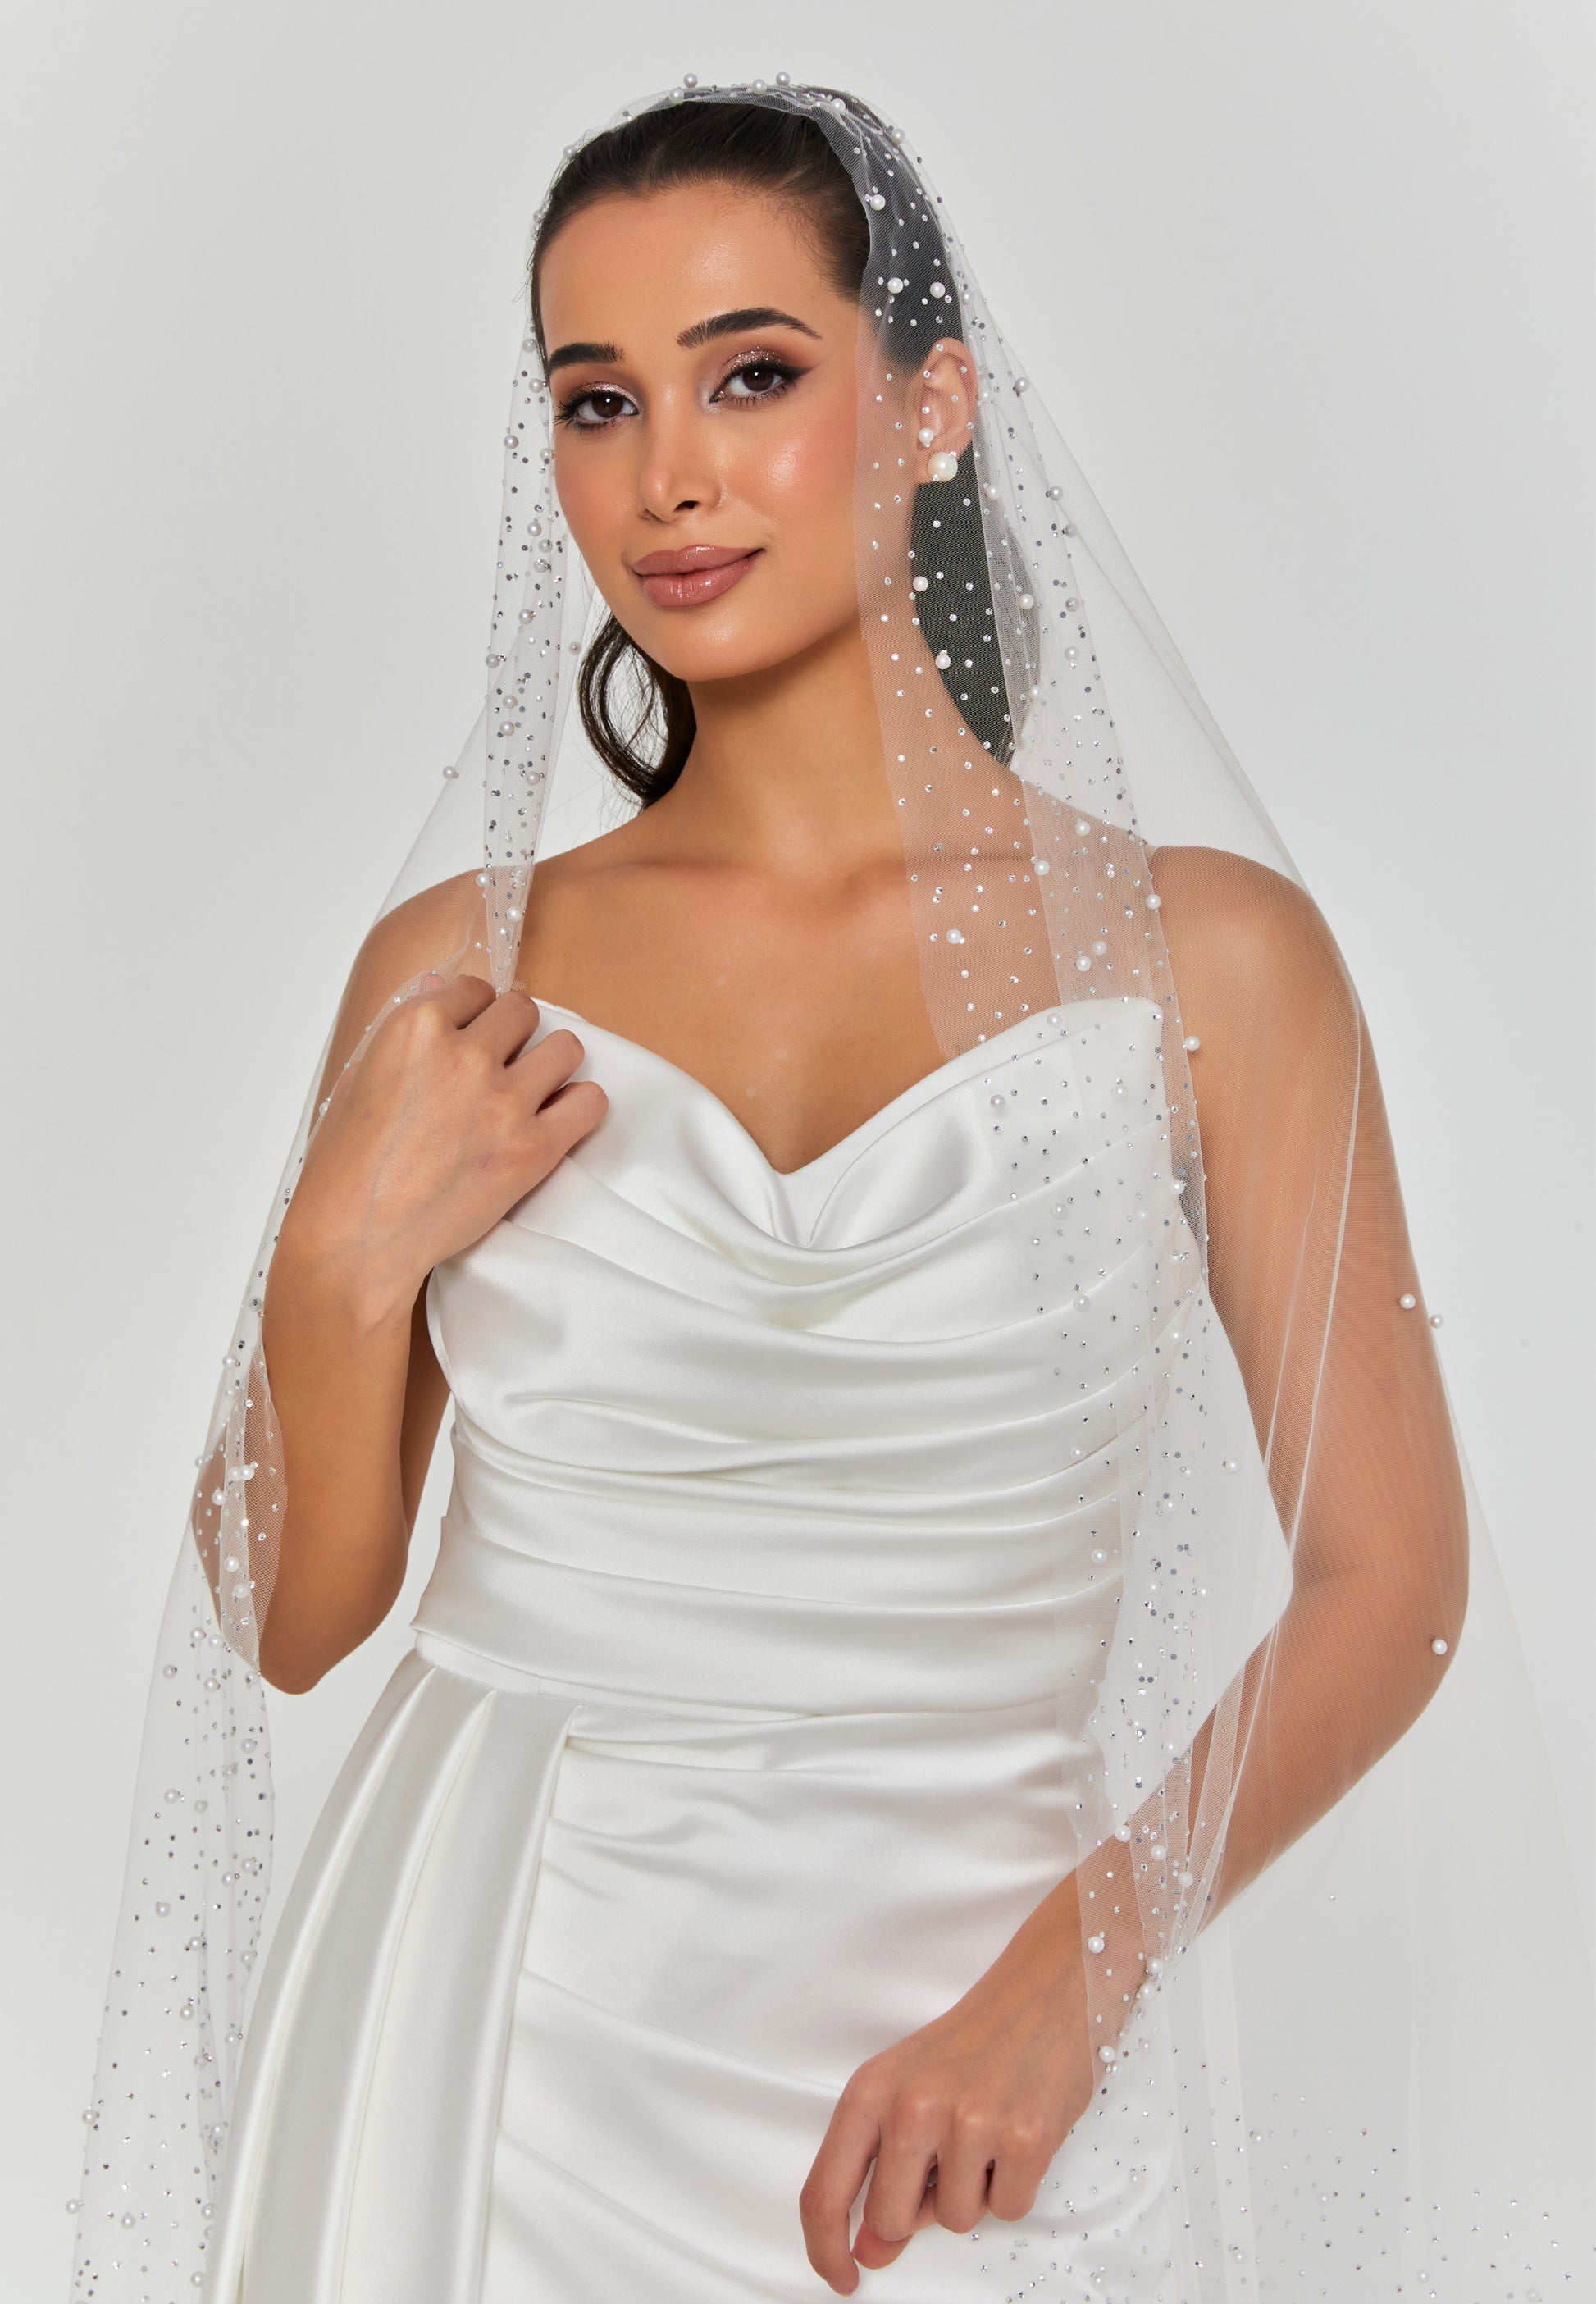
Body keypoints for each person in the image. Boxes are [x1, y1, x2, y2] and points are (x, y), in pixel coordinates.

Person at [71, 80, 1593, 2304]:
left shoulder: (1205, 959)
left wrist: (1066, 1986)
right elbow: (298, 1625)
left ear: (935, 405)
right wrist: (332, 1268)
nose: (666, 476)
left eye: (752, 375)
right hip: (496, 2026)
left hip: (978, 2033)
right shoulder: (463, 969)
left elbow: (1393, 1582)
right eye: (596, 401)